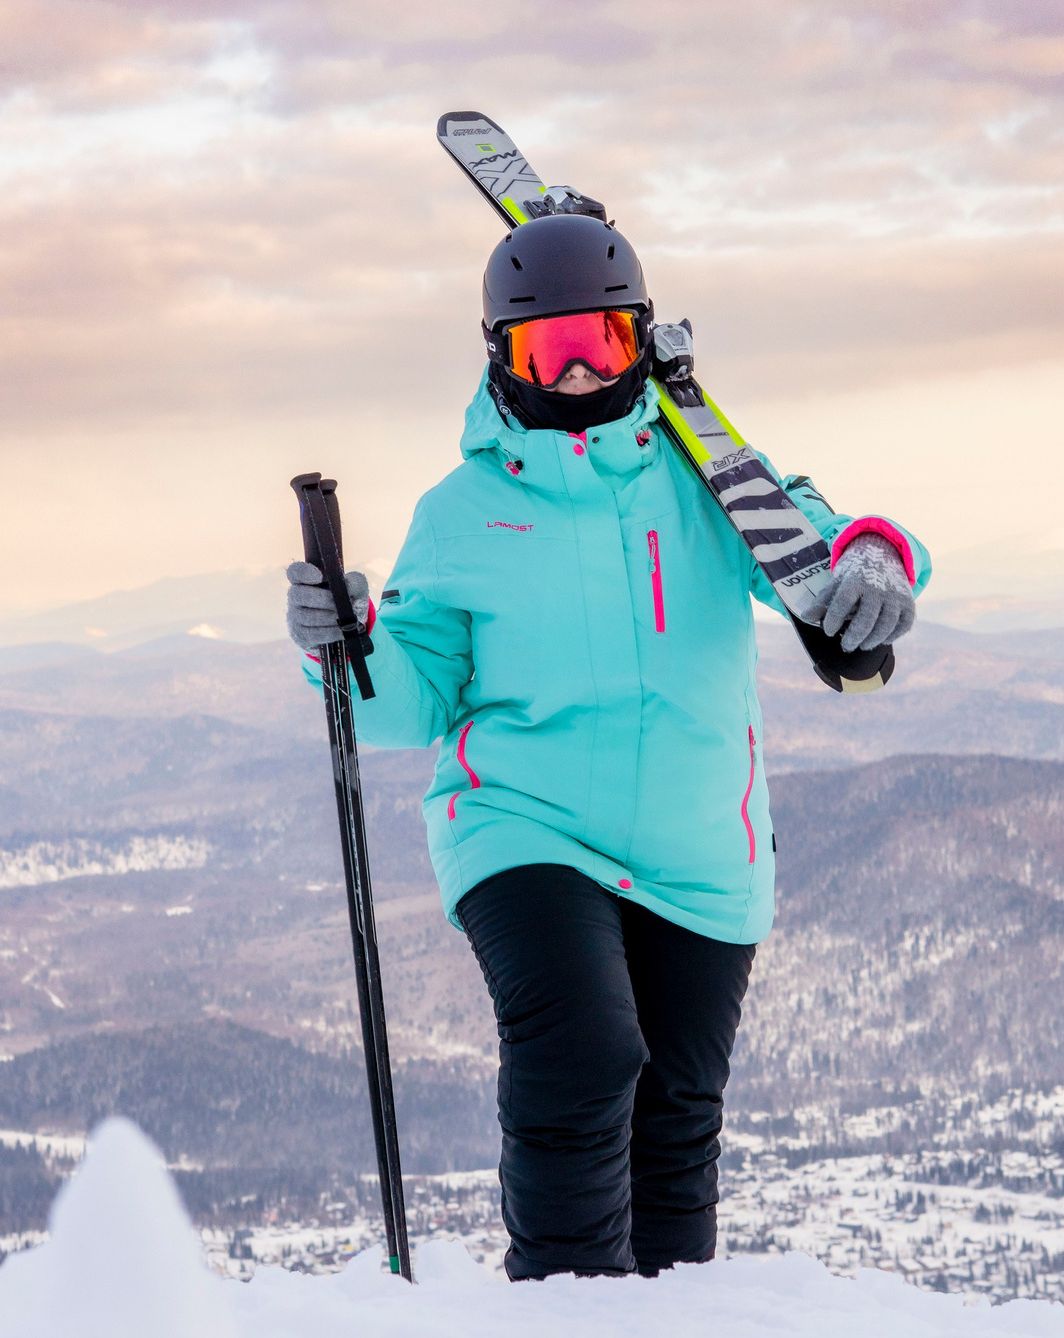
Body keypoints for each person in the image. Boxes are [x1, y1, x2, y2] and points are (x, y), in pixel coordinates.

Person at [285, 207, 928, 1279]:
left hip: (697, 848)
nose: (579, 376)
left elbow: (825, 540)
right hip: (522, 824)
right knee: (584, 1052)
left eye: (604, 344)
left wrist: (881, 562)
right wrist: (342, 651)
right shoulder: (463, 512)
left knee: (675, 1124)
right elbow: (410, 699)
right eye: (550, 349)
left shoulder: (713, 479)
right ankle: (561, 1326)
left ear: (640, 342)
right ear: (501, 357)